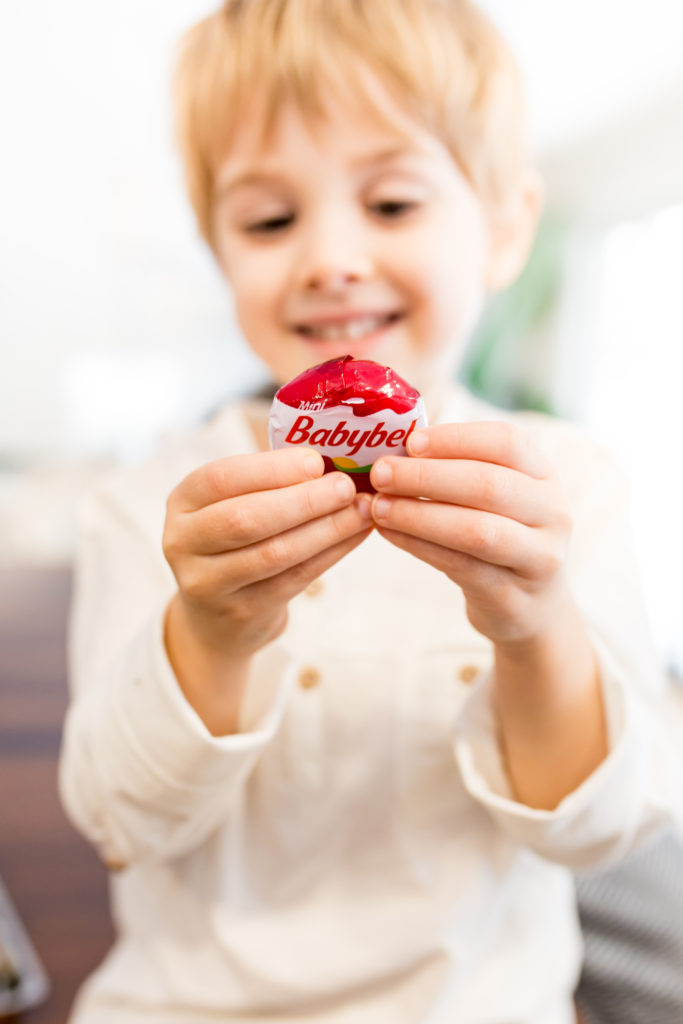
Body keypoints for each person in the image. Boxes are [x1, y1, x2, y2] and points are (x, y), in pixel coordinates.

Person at [58, 1, 681, 1022]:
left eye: (390, 205)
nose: (330, 257)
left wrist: (535, 627)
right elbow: (119, 818)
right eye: (268, 219)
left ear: (503, 228)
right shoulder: (155, 503)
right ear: (222, 253)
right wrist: (210, 628)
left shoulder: (566, 484)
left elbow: (601, 830)